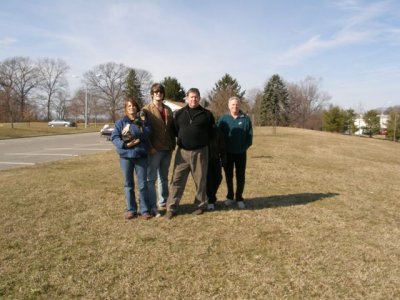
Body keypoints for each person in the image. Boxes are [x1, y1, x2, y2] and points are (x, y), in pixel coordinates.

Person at [165, 88, 215, 219]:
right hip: (182, 153)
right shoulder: (179, 114)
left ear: (199, 98)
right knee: (176, 180)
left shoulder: (207, 115)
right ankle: (171, 208)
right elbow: (175, 131)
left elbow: (211, 133)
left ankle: (200, 205)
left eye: (196, 97)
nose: (194, 99)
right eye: (191, 97)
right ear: (186, 98)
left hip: (200, 152)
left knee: (200, 180)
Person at [111, 97, 154, 220]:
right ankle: (131, 210)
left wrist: (133, 129)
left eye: (134, 106)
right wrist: (125, 144)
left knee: (142, 184)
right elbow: (114, 138)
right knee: (128, 184)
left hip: (140, 156)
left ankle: (144, 210)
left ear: (137, 108)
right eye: (129, 106)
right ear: (126, 109)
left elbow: (147, 133)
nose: (132, 108)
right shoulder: (120, 123)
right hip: (126, 157)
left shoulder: (143, 121)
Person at [143, 83, 176, 215]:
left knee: (164, 177)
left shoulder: (168, 109)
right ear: (152, 94)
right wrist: (150, 147)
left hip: (167, 149)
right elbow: (144, 132)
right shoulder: (146, 110)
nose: (158, 94)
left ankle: (163, 200)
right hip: (154, 150)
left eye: (161, 92)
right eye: (156, 92)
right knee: (151, 179)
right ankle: (152, 203)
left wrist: (173, 144)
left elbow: (171, 129)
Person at [217, 96, 253, 209]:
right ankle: (230, 197)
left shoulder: (246, 119)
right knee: (228, 175)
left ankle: (239, 198)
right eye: (232, 104)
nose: (235, 106)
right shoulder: (223, 119)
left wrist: (243, 147)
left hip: (241, 153)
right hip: (227, 153)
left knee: (240, 176)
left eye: (237, 104)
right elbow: (218, 135)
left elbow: (249, 137)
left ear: (239, 105)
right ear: (229, 106)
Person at [206, 125, 226, 210]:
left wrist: (224, 158)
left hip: (216, 158)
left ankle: (210, 197)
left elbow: (222, 145)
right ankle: (211, 201)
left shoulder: (217, 130)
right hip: (205, 159)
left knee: (218, 178)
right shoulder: (201, 129)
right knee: (209, 180)